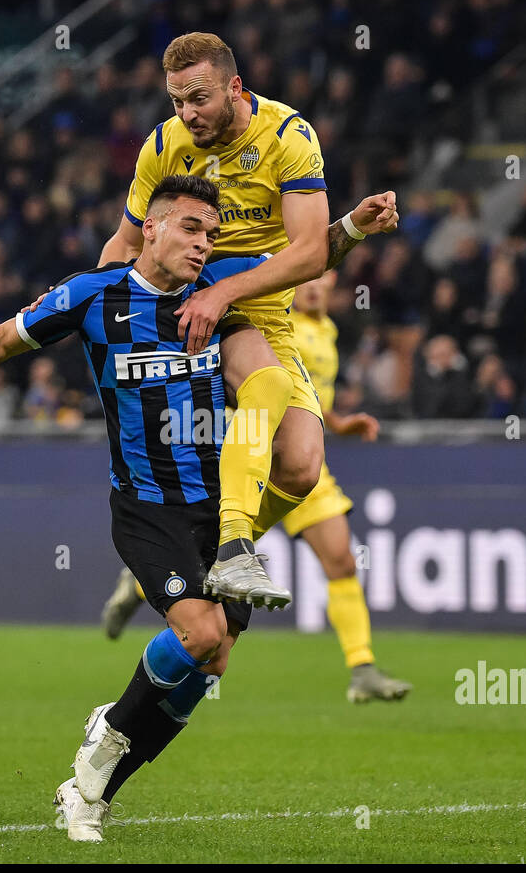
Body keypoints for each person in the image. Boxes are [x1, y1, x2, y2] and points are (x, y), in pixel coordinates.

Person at [0, 175, 378, 843]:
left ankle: (91, 788)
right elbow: (4, 339)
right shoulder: (94, 296)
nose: (203, 244)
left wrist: (350, 225)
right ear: (151, 227)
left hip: (217, 503)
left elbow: (306, 257)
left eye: (211, 234)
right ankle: (111, 730)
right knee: (200, 635)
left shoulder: (221, 297)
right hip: (148, 506)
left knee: (213, 664)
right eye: (190, 229)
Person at [90, 32, 398, 608]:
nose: (187, 114)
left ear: (235, 87)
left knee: (304, 464)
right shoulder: (164, 145)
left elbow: (308, 254)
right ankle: (229, 552)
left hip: (258, 309)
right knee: (264, 388)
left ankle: (196, 559)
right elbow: (125, 244)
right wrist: (100, 310)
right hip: (187, 312)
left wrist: (351, 228)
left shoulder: (288, 136)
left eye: (199, 98)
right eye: (177, 100)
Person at [101, 272, 412, 703]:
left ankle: (362, 669)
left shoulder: (327, 329)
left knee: (341, 558)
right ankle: (139, 585)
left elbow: (312, 396)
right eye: (310, 280)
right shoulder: (267, 323)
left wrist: (340, 423)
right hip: (249, 454)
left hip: (303, 460)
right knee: (207, 550)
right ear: (289, 281)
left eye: (326, 281)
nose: (317, 288)